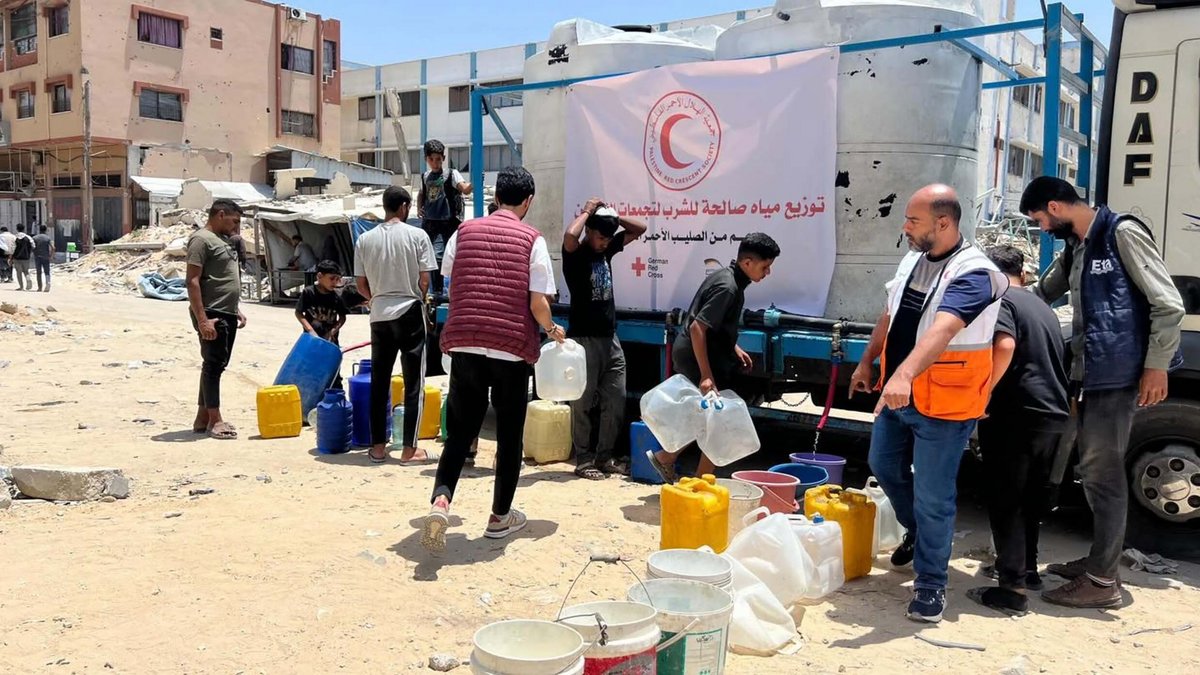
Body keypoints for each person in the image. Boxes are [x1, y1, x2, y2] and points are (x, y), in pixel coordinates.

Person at [1019, 176, 1185, 609]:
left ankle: (1102, 582)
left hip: (1118, 373)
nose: (1041, 229)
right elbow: (1042, 293)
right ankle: (1100, 560)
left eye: (1039, 219)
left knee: (1104, 475)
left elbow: (1168, 303)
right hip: (1090, 371)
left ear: (1055, 207)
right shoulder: (1078, 244)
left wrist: (1156, 366)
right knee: (1092, 473)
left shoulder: (1121, 233)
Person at [848, 184, 1007, 623]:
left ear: (943, 222)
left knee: (934, 496)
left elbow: (944, 328)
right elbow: (889, 314)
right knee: (883, 466)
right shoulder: (912, 259)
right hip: (899, 396)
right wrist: (867, 360)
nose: (905, 227)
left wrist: (903, 375)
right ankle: (919, 533)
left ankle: (931, 584)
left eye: (913, 220)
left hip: (945, 405)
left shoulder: (976, 273)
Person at [421, 166, 565, 553]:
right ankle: (500, 517)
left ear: (497, 196)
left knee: (460, 433)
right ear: (528, 201)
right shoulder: (532, 240)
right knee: (509, 435)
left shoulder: (463, 232)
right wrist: (552, 329)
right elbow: (538, 304)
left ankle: (441, 501)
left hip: (465, 342)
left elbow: (453, 277)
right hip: (510, 348)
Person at [966, 245, 1070, 617]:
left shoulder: (999, 301)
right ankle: (1028, 570)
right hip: (1051, 414)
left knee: (1006, 498)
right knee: (1030, 498)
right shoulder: (1041, 306)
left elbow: (1005, 345)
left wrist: (982, 395)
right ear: (1023, 274)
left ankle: (1011, 589)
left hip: (1015, 413)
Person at [646, 233, 781, 482]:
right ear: (747, 262)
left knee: (705, 416)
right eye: (765, 267)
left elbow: (713, 324)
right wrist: (706, 375)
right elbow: (698, 327)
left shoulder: (729, 279)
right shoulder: (728, 287)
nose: (768, 272)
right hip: (699, 358)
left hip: (703, 353)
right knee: (719, 420)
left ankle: (668, 459)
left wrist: (733, 347)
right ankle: (698, 480)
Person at [562, 198, 647, 479]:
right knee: (583, 402)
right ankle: (583, 459)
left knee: (616, 398)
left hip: (610, 338)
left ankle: (604, 457)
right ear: (589, 231)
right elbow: (570, 235)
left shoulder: (607, 249)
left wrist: (613, 217)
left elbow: (640, 229)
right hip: (583, 339)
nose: (604, 243)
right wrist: (588, 211)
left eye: (607, 238)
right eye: (600, 237)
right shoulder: (576, 254)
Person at [354, 186, 439, 465]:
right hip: (409, 310)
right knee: (414, 383)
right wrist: (419, 297)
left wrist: (376, 298)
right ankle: (409, 450)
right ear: (404, 207)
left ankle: (378, 448)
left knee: (379, 382)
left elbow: (361, 285)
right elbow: (425, 280)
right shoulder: (417, 236)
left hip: (379, 314)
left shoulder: (364, 239)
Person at [186, 200, 247, 440]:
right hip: (212, 313)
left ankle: (202, 418)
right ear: (220, 214)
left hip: (226, 311)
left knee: (216, 364)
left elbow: (221, 278)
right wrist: (203, 320)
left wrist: (235, 308)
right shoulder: (201, 240)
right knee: (213, 365)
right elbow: (192, 281)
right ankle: (215, 420)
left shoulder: (221, 240)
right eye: (234, 221)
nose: (236, 226)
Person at [417, 139, 472, 295]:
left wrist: (474, 183)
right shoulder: (425, 176)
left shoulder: (451, 174)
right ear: (426, 159)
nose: (435, 163)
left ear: (443, 158)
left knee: (443, 256)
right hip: (430, 223)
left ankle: (444, 290)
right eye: (431, 159)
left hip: (448, 222)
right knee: (430, 257)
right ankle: (436, 290)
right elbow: (421, 193)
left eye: (438, 159)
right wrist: (419, 207)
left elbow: (464, 189)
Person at [296, 259, 349, 388]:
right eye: (332, 278)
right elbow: (298, 313)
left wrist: (332, 332)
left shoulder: (336, 296)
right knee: (311, 370)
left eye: (337, 279)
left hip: (331, 343)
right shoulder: (308, 293)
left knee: (333, 372)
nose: (335, 282)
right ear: (319, 276)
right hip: (311, 342)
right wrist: (310, 331)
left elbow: (342, 317)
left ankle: (335, 395)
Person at [10, 224, 34, 291]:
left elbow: (12, 248)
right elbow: (33, 246)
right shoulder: (28, 237)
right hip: (26, 257)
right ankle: (28, 280)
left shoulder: (15, 237)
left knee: (19, 272)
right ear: (23, 229)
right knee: (26, 271)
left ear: (17, 229)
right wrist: (29, 253)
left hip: (17, 258)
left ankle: (21, 287)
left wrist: (11, 257)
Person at [33, 225, 55, 293]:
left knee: (38, 272)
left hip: (37, 257)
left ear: (39, 230)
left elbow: (32, 247)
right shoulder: (48, 238)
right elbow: (53, 248)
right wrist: (51, 256)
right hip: (46, 257)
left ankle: (40, 287)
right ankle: (48, 283)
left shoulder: (35, 238)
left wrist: (34, 252)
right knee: (47, 271)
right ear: (45, 230)